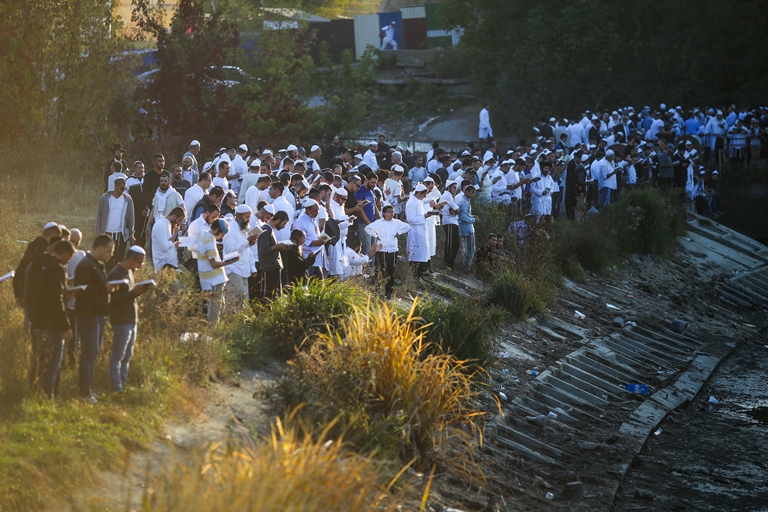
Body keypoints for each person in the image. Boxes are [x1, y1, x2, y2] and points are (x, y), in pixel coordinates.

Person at [74, 235, 121, 403]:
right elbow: (83, 291)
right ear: (99, 248)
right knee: (89, 352)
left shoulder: (97, 265)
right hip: (89, 315)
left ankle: (89, 389)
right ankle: (84, 392)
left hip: (97, 315)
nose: (110, 255)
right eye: (109, 251)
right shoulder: (86, 265)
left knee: (93, 352)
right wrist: (105, 288)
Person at [26, 240, 75, 398]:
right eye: (69, 258)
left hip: (36, 320)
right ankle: (48, 398)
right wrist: (65, 326)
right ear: (66, 255)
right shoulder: (57, 269)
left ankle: (33, 393)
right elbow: (56, 300)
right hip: (52, 323)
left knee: (38, 360)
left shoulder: (36, 265)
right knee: (52, 364)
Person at [107, 246, 151, 393]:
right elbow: (113, 300)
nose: (139, 266)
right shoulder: (115, 274)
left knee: (127, 355)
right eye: (139, 262)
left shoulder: (129, 272)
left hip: (131, 319)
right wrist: (134, 294)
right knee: (118, 355)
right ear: (131, 259)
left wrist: (137, 292)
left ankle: (123, 384)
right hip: (121, 320)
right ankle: (115, 386)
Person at [365, 204, 410, 299]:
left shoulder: (396, 222)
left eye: (392, 211)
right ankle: (376, 290)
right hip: (381, 249)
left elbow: (407, 227)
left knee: (391, 271)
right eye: (389, 211)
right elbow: (367, 228)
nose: (391, 213)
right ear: (384, 213)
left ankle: (389, 291)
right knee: (379, 270)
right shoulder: (378, 222)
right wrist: (375, 235)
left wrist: (399, 233)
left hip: (393, 249)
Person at [13, 222, 62, 307]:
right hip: (35, 298)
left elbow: (19, 271)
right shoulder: (44, 252)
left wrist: (18, 294)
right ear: (53, 236)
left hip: (25, 293)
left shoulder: (31, 248)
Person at [197, 218, 237, 324]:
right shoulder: (210, 240)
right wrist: (230, 261)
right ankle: (212, 334)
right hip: (214, 280)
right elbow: (214, 264)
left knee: (215, 307)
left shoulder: (204, 236)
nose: (222, 236)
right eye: (222, 233)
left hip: (207, 279)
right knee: (215, 311)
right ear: (217, 230)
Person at [96, 175, 135, 270]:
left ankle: (117, 278)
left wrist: (131, 233)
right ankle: (108, 277)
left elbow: (131, 218)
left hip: (121, 234)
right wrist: (98, 231)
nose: (123, 191)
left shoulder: (127, 199)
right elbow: (99, 215)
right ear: (115, 186)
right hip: (107, 232)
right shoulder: (105, 198)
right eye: (121, 188)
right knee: (108, 258)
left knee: (119, 258)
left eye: (125, 189)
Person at [222, 205, 257, 308]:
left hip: (244, 271)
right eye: (247, 217)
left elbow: (248, 251)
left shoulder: (244, 229)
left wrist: (252, 268)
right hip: (234, 270)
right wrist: (247, 242)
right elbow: (230, 250)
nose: (248, 220)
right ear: (238, 216)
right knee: (232, 304)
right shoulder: (230, 228)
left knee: (243, 304)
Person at [257, 211, 292, 300]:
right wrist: (277, 246)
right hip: (268, 268)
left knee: (275, 296)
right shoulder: (265, 230)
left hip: (274, 267)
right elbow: (263, 250)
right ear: (278, 220)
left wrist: (281, 248)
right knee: (268, 297)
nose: (284, 226)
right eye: (284, 223)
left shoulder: (270, 230)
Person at [406, 184, 437, 278]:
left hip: (421, 230)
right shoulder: (412, 202)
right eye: (424, 194)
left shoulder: (418, 202)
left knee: (422, 252)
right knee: (416, 252)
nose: (424, 197)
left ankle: (421, 273)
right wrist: (424, 216)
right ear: (419, 193)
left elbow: (422, 213)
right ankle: (416, 275)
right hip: (415, 231)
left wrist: (427, 214)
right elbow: (410, 219)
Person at [293, 198, 326, 278]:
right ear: (307, 210)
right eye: (315, 211)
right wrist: (314, 243)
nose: (317, 213)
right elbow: (297, 241)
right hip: (307, 258)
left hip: (317, 257)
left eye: (318, 211)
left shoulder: (312, 219)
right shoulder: (300, 222)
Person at [147, 171, 184, 237]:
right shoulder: (157, 195)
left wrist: (181, 224)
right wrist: (148, 225)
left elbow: (183, 210)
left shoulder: (175, 195)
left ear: (169, 182)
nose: (163, 183)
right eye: (161, 181)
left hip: (170, 226)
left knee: (168, 246)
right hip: (157, 225)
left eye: (165, 181)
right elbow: (153, 211)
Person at [457, 185, 478, 274]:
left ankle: (466, 267)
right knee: (470, 249)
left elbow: (466, 214)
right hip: (466, 228)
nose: (473, 195)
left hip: (467, 228)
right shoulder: (464, 202)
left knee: (467, 248)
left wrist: (473, 216)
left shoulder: (466, 201)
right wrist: (474, 220)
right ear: (467, 192)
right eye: (472, 192)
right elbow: (463, 217)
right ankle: (466, 267)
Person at [355, 173, 378, 254]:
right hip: (364, 224)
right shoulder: (360, 191)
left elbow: (374, 206)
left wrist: (380, 220)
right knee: (366, 249)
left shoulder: (372, 191)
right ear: (366, 180)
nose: (374, 185)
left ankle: (371, 266)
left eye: (375, 183)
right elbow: (360, 209)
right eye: (372, 182)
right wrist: (368, 223)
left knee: (373, 248)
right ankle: (366, 266)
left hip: (372, 224)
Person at [440, 180, 461, 269]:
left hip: (452, 222)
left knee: (454, 243)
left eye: (456, 188)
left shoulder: (451, 196)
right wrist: (455, 210)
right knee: (451, 244)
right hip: (449, 222)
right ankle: (448, 263)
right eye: (453, 187)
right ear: (448, 187)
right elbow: (457, 210)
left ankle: (449, 263)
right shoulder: (447, 196)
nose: (455, 189)